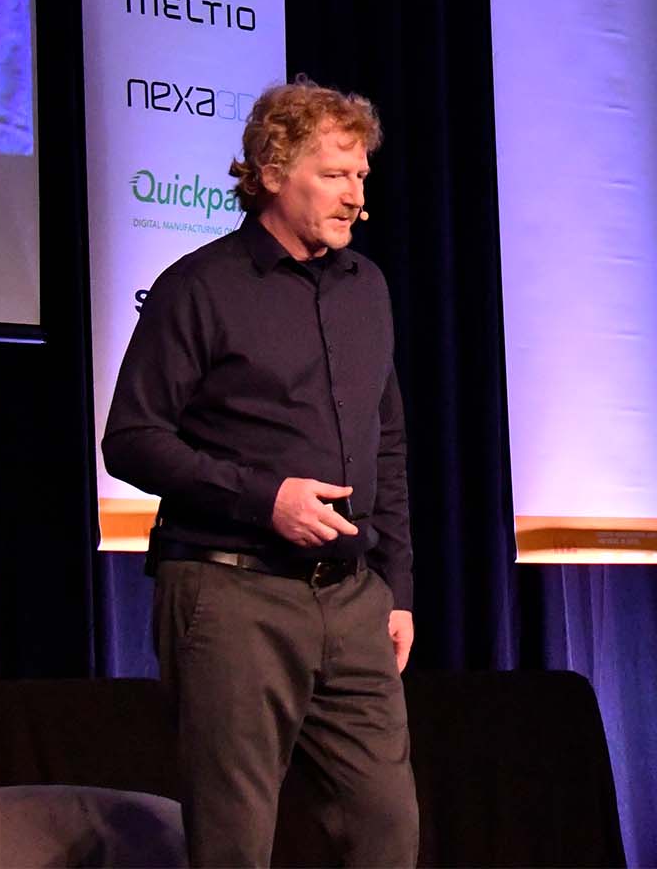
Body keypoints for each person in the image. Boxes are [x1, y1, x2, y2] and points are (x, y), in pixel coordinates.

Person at [103, 79, 418, 867]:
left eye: (361, 176)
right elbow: (131, 440)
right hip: (231, 594)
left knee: (386, 827)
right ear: (273, 173)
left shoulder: (367, 288)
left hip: (351, 600)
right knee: (235, 841)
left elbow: (386, 443)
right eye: (334, 174)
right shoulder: (199, 288)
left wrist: (396, 586)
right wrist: (264, 499)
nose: (355, 196)